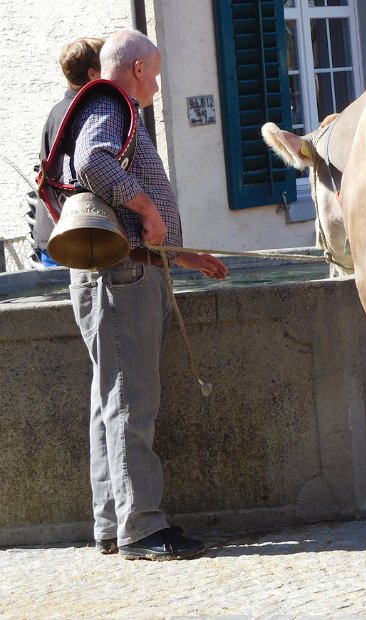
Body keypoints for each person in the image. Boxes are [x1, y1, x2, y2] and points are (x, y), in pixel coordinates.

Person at [65, 29, 228, 560]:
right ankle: (143, 526)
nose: (157, 82)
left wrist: (184, 255)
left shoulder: (106, 106)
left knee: (110, 402)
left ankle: (113, 523)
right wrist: (150, 210)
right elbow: (93, 160)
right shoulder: (112, 104)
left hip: (124, 271)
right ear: (137, 69)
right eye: (154, 72)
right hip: (123, 280)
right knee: (131, 403)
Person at [30, 37, 105, 268]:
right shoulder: (87, 112)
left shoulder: (58, 111)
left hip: (53, 232)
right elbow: (85, 172)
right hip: (69, 236)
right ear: (93, 74)